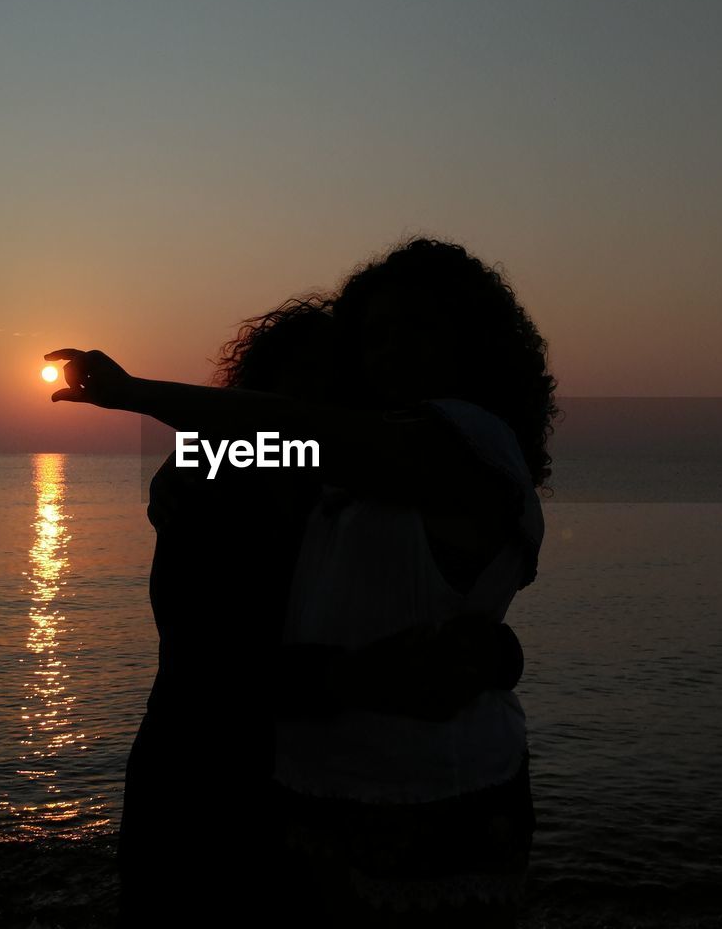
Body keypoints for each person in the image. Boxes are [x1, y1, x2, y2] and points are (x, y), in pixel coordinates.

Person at [73, 294, 530, 925]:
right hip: (197, 779)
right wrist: (355, 678)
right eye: (301, 372)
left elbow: (429, 596)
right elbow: (201, 665)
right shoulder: (207, 488)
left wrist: (496, 651)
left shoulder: (347, 494)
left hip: (305, 798)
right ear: (259, 391)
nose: (316, 392)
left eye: (337, 373)